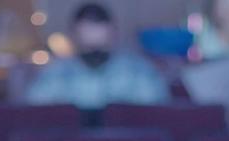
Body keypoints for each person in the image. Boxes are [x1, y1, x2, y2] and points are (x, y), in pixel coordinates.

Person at [24, 2, 169, 110]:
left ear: (113, 33)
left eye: (98, 27)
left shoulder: (138, 71)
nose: (93, 35)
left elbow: (155, 114)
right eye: (87, 30)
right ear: (73, 34)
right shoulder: (55, 73)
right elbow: (34, 112)